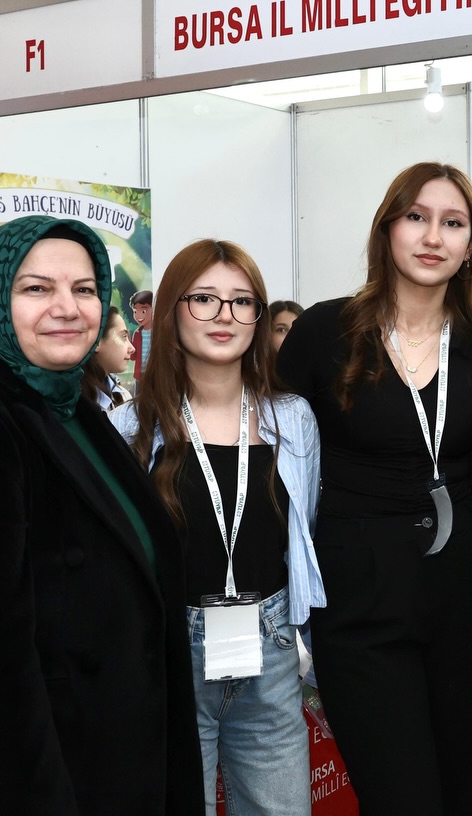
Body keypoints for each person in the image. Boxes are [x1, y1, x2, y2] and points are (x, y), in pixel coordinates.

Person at [278, 162, 472, 814]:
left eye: (452, 223)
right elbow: (276, 465)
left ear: (470, 246)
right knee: (400, 796)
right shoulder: (324, 333)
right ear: (386, 231)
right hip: (360, 604)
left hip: (465, 599)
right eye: (416, 217)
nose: (433, 236)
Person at [0, 214, 201, 815]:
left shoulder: (69, 402)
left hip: (123, 752)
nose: (67, 308)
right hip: (55, 772)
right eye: (36, 288)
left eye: (85, 289)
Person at [112, 239, 324, 816]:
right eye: (204, 298)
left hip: (270, 646)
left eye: (242, 301)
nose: (224, 315)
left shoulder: (293, 418)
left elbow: (305, 534)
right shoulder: (129, 426)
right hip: (169, 653)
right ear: (171, 310)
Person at [82, 305, 136, 411]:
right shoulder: (73, 402)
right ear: (96, 341)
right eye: (124, 337)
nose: (132, 348)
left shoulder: (123, 394)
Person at [131, 289, 154, 380]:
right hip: (140, 376)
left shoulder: (159, 333)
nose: (138, 316)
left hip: (156, 374)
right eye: (135, 311)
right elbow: (133, 357)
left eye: (143, 311)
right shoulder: (137, 334)